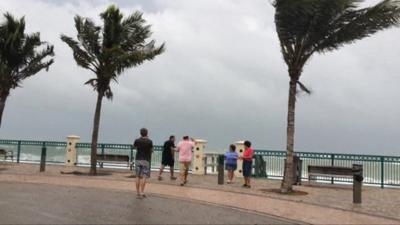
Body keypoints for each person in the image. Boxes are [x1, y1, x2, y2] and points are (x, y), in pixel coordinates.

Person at [133, 128, 153, 198]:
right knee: (144, 176)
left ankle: (137, 192)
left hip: (138, 159)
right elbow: (151, 150)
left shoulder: (137, 140)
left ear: (140, 133)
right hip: (146, 160)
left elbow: (134, 147)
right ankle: (142, 192)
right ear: (147, 133)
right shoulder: (149, 141)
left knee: (137, 176)